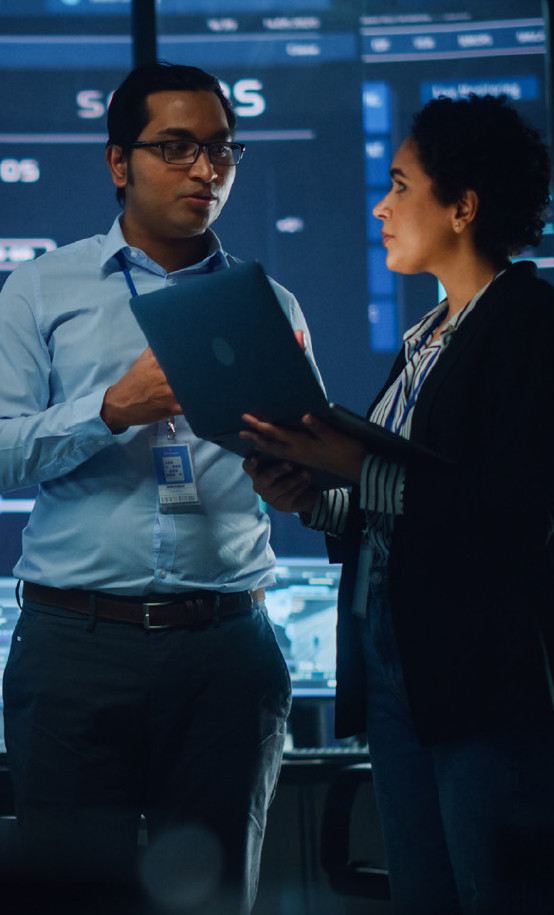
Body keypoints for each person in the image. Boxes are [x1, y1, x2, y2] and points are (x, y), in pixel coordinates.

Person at [240, 94, 554, 914]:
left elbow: (514, 514)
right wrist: (317, 497)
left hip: (491, 680)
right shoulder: (430, 333)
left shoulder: (537, 323)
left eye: (399, 184)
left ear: (462, 206)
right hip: (404, 666)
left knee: (500, 896)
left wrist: (356, 468)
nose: (380, 206)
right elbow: (401, 506)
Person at [0, 60, 320, 914]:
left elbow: (313, 470)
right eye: (175, 148)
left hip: (227, 647)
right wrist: (109, 409)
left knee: (214, 900)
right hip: (75, 644)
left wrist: (300, 483)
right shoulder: (40, 289)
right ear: (118, 163)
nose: (203, 170)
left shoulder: (271, 302)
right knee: (70, 897)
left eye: (220, 150)